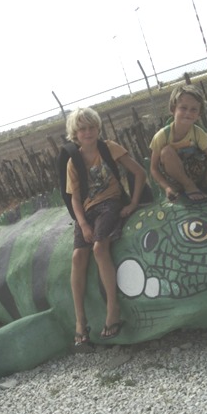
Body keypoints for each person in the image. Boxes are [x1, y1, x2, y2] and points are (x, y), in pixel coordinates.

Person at [65, 107, 147, 345]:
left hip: (110, 203)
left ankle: (113, 309)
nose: (88, 132)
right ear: (75, 134)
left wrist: (133, 203)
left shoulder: (109, 148)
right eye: (82, 129)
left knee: (100, 248)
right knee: (78, 257)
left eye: (92, 127)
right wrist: (82, 223)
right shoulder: (73, 161)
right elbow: (75, 198)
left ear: (98, 129)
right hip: (88, 211)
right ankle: (80, 320)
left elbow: (139, 172)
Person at [149, 84, 207, 203]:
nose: (188, 113)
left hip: (196, 172)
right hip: (176, 179)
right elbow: (153, 168)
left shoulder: (198, 133)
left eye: (193, 109)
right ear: (173, 109)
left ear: (199, 114)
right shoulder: (162, 136)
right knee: (166, 151)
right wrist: (167, 188)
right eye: (183, 108)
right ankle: (188, 186)